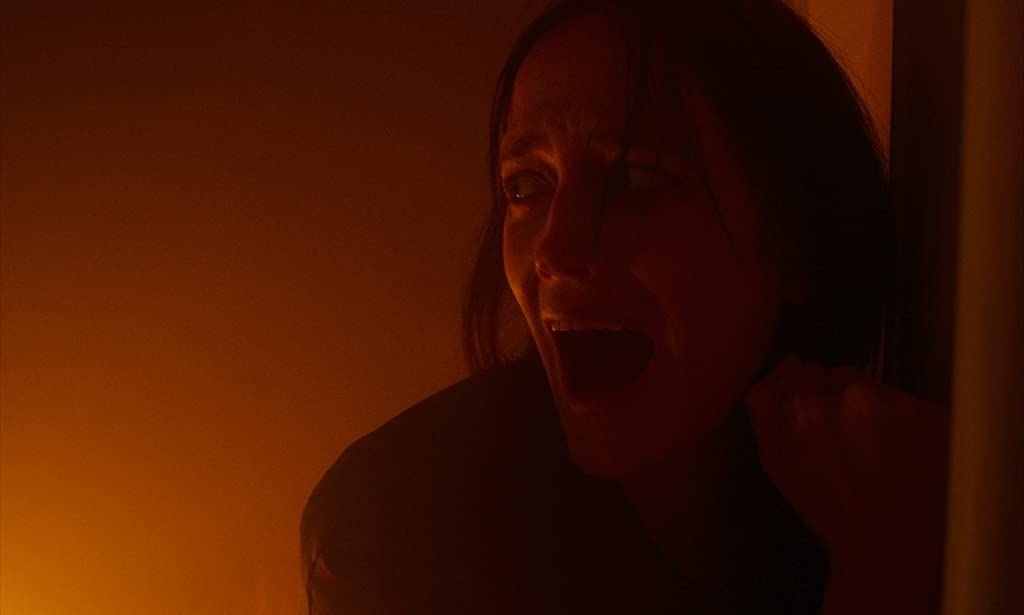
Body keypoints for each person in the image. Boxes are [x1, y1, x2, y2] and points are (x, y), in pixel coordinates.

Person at [300, 1, 949, 613]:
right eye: (526, 186)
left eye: (635, 179)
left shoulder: (859, 484)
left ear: (798, 240)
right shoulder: (396, 522)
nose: (555, 248)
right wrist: (885, 575)